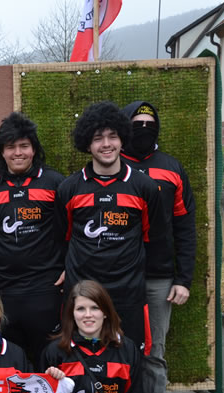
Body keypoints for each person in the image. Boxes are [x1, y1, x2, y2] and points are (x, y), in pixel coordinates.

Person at [55, 100, 164, 353]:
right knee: (81, 361)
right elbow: (62, 237)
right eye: (98, 138)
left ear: (122, 139)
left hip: (129, 293)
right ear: (87, 144)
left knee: (129, 362)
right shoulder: (69, 189)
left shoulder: (144, 187)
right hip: (82, 294)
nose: (106, 144)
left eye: (112, 136)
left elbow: (155, 239)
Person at [121, 101, 196, 393]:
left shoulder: (171, 168)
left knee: (153, 356)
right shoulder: (110, 168)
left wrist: (183, 278)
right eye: (136, 123)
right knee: (114, 352)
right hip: (117, 278)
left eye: (149, 123)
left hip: (158, 278)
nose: (143, 128)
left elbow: (185, 226)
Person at [0, 112, 66, 364]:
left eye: (24, 146)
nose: (18, 153)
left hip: (46, 289)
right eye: (11, 147)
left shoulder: (55, 183)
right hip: (5, 291)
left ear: (34, 149)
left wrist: (69, 267)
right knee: (11, 360)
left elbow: (73, 230)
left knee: (48, 359)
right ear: (2, 152)